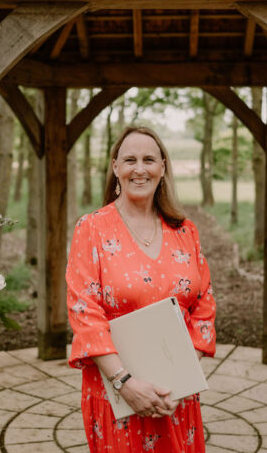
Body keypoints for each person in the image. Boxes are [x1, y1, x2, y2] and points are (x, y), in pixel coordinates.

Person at [66, 126, 217, 452]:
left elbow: (204, 305)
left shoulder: (185, 231)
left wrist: (179, 383)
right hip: (116, 393)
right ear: (115, 167)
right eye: (130, 159)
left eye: (149, 159)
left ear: (162, 167)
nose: (139, 168)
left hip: (174, 397)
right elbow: (84, 311)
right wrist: (125, 383)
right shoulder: (90, 228)